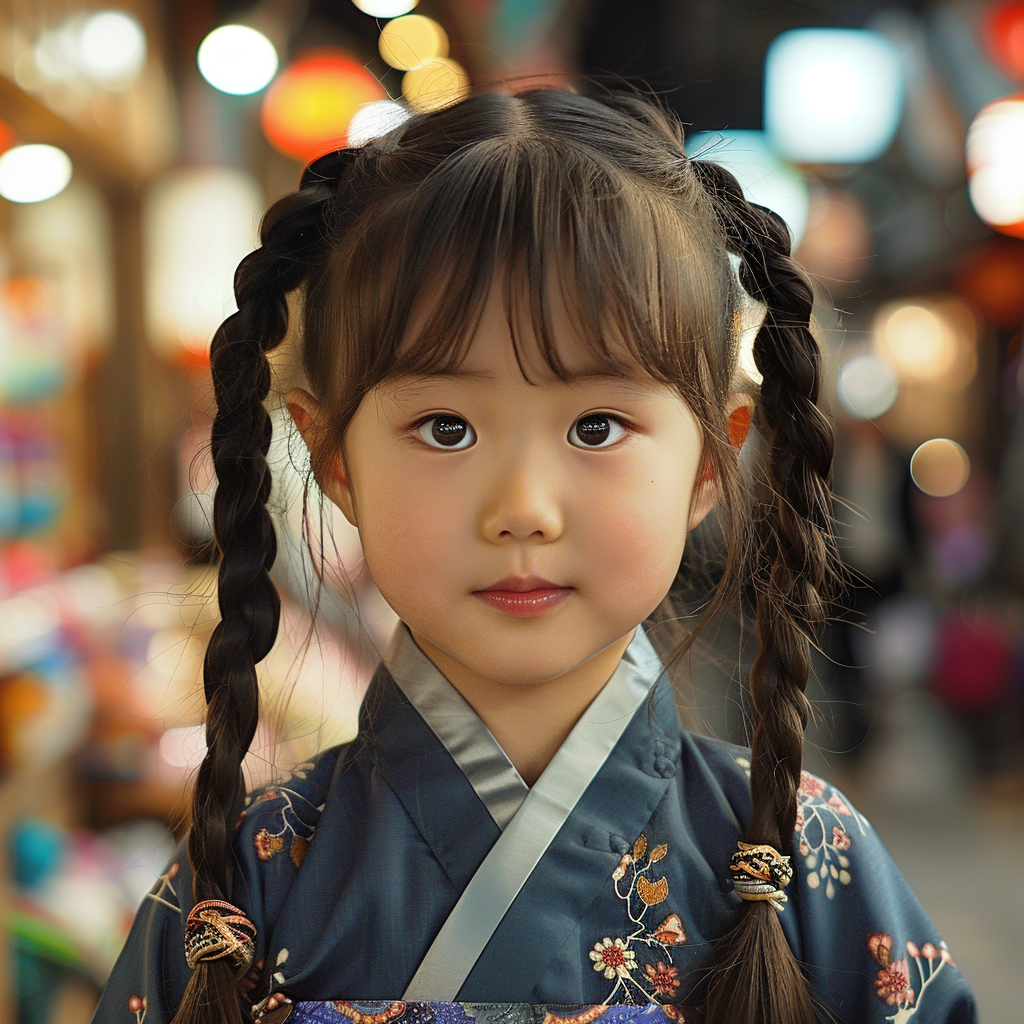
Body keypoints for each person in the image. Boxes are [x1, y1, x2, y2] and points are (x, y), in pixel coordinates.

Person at [91, 89, 976, 1024]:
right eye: (445, 427)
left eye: (596, 426)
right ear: (335, 458)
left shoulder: (802, 860)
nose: (522, 510)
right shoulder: (241, 884)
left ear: (713, 459)